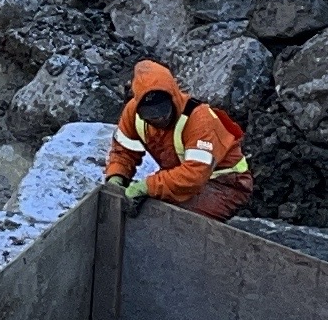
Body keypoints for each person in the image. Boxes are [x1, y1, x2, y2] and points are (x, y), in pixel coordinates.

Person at [103, 59, 254, 219]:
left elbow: (195, 174)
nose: (160, 118)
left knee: (171, 217)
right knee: (148, 207)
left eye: (164, 111)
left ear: (174, 98)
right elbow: (123, 152)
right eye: (152, 116)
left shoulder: (199, 119)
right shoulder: (132, 113)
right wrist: (116, 177)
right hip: (182, 177)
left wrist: (148, 186)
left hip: (226, 183)